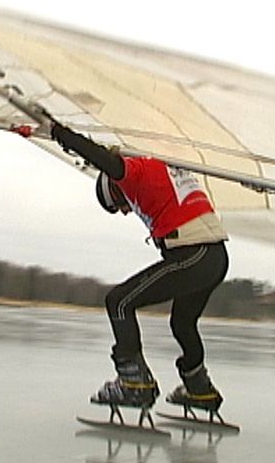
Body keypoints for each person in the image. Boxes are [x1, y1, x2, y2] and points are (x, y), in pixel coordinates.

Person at [50, 121, 230, 411]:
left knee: (119, 301)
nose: (124, 212)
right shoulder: (163, 166)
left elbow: (104, 159)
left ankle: (134, 383)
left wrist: (63, 135)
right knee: (182, 323)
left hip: (194, 255)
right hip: (215, 257)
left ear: (114, 190)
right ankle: (199, 389)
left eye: (118, 207)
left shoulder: (132, 174)